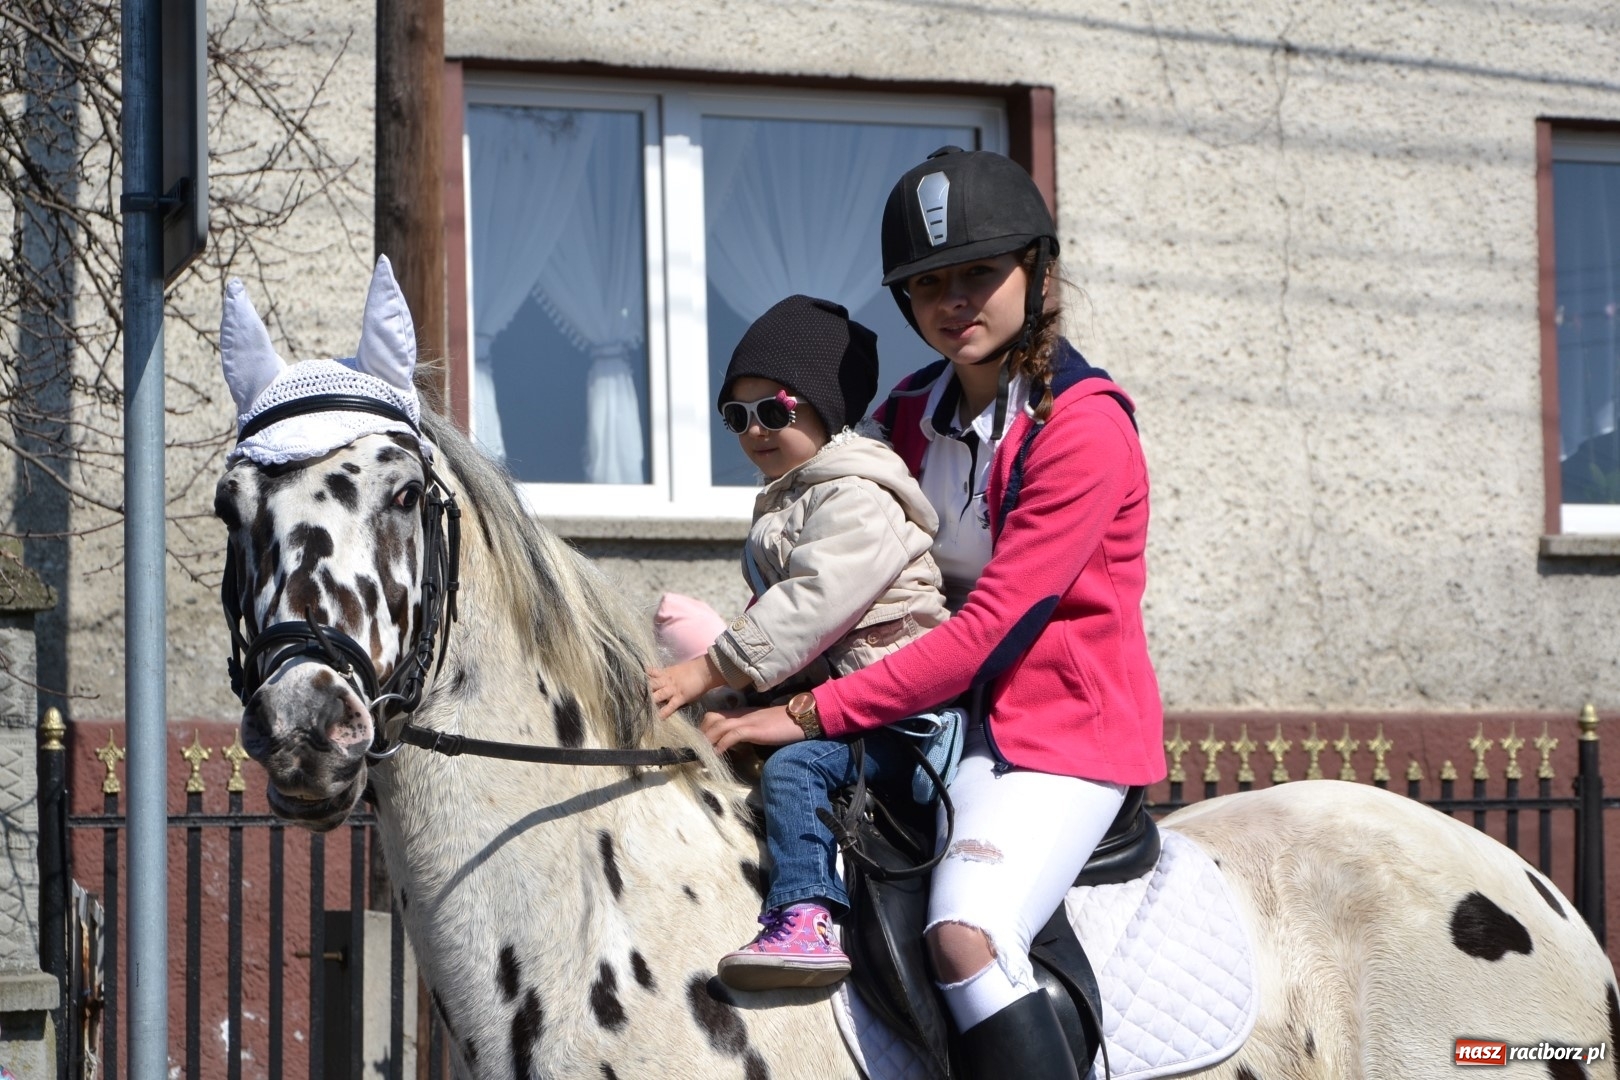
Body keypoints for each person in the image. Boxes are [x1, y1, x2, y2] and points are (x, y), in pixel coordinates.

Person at [698, 148, 1164, 1078]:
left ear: (1037, 270)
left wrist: (799, 714)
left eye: (979, 274)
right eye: (927, 284)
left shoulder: (1085, 426)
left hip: (1055, 739)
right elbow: (844, 571)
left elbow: (985, 630)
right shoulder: (906, 417)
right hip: (928, 721)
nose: (954, 301)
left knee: (964, 934)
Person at [647, 294, 950, 991]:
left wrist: (708, 669)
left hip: (903, 718)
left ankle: (806, 913)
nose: (754, 430)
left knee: (795, 771)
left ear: (827, 410)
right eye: (737, 416)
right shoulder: (796, 496)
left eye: (774, 411)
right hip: (839, 701)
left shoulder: (858, 497)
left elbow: (810, 608)